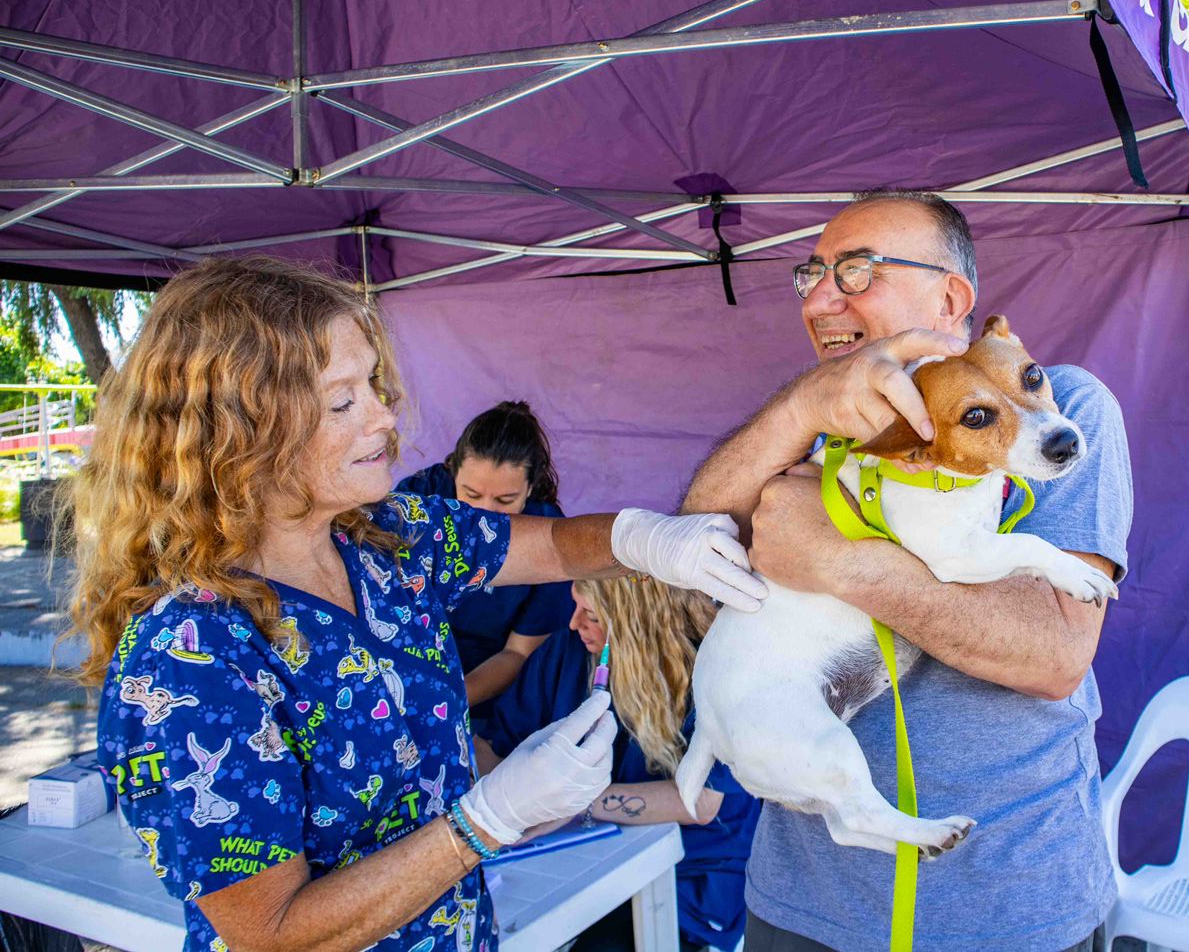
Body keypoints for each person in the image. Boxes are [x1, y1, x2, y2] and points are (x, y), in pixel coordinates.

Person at [72, 256, 765, 952]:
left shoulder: (387, 539)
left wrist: (642, 538)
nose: (384, 416)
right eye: (342, 402)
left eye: (373, 384)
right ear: (241, 433)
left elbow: (554, 545)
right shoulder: (189, 652)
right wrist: (485, 821)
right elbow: (271, 934)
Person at [682, 190, 1133, 952]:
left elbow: (1054, 654)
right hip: (803, 902)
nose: (819, 299)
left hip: (1006, 908)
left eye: (856, 272)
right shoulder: (821, 427)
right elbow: (694, 547)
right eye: (812, 275)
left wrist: (837, 560)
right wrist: (801, 410)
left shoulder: (1064, 411)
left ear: (950, 298)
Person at [477, 576, 760, 952]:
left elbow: (701, 803)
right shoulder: (567, 651)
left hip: (686, 875)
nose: (574, 623)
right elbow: (491, 742)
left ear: (634, 617)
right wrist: (502, 795)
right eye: (575, 605)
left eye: (591, 615)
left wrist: (571, 800)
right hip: (571, 859)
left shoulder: (714, 667)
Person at [396, 401, 574, 713]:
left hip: (482, 695)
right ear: (452, 473)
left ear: (530, 488)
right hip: (404, 671)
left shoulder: (550, 537)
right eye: (471, 494)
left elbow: (517, 654)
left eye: (505, 500)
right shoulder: (420, 498)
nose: (483, 516)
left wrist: (445, 704)